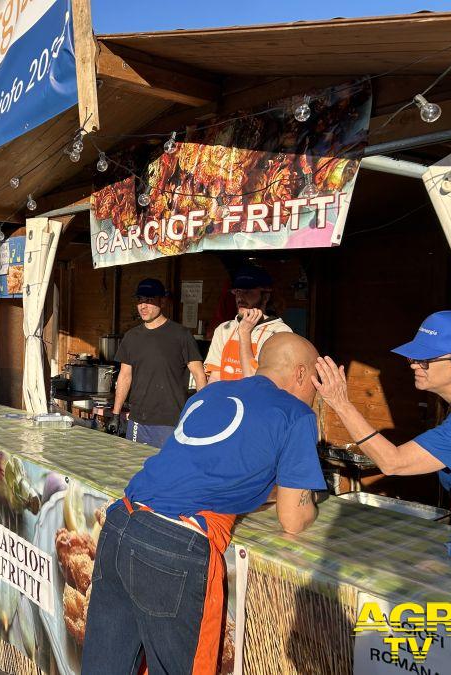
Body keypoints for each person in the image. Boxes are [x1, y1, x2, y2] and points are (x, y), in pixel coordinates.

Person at [83, 333, 326, 674]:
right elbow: (294, 519)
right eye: (315, 380)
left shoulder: (211, 392)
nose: (315, 393)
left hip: (122, 522)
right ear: (301, 373)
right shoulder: (296, 413)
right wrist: (309, 498)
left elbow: (206, 466)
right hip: (176, 545)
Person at [314, 310, 451, 527]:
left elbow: (393, 462)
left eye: (426, 360)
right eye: (414, 357)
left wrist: (341, 404)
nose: (414, 365)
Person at [113, 279, 206, 448]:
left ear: (162, 301)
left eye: (149, 300)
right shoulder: (131, 337)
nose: (143, 306)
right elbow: (125, 376)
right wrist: (115, 413)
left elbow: (199, 375)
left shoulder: (181, 335)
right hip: (137, 419)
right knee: (133, 469)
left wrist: (200, 413)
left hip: (169, 421)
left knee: (166, 471)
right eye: (140, 300)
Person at [204, 264, 292, 382]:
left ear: (265, 297)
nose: (240, 297)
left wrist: (244, 332)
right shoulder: (224, 329)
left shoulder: (280, 332)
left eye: (247, 291)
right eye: (237, 291)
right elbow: (215, 377)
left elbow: (257, 382)